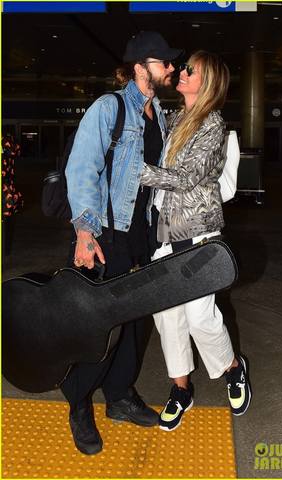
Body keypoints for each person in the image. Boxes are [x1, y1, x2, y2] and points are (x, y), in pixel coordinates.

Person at [64, 31, 183, 454]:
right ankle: (79, 403)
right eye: (163, 62)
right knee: (99, 326)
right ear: (139, 68)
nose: (170, 68)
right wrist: (84, 231)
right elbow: (82, 169)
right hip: (107, 235)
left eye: (171, 63)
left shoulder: (160, 116)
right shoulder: (108, 108)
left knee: (133, 322)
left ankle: (118, 397)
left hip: (143, 236)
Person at [140, 50, 252, 431]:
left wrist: (135, 172)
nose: (183, 72)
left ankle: (232, 368)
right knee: (168, 317)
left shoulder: (213, 126)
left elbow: (186, 178)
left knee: (200, 315)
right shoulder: (174, 119)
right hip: (163, 233)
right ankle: (181, 388)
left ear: (207, 83)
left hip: (198, 232)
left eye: (191, 70)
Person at [2, 133, 23, 256]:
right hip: (7, 188)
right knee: (7, 221)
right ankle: (5, 249)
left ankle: (5, 249)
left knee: (6, 222)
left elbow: (15, 151)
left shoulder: (7, 141)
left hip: (6, 189)